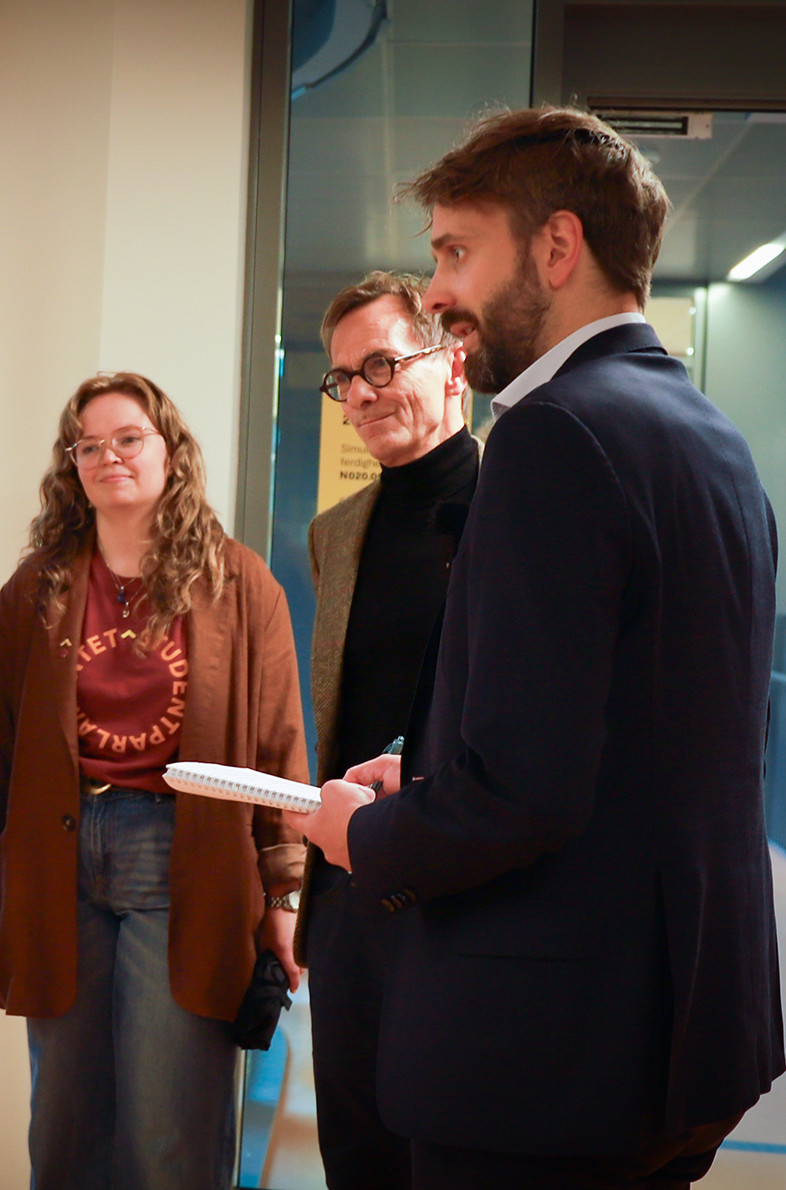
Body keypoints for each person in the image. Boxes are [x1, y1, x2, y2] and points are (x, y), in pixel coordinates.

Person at [292, 107, 784, 1190]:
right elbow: (632, 736)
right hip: (674, 1024)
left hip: (545, 1051)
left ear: (558, 246)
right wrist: (420, 773)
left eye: (457, 252)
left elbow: (524, 792)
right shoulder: (706, 434)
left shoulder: (553, 436)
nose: (439, 295)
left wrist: (366, 834)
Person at [0, 373, 307, 1190]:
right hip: (54, 860)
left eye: (128, 438)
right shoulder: (35, 590)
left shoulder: (239, 583)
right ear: (71, 466)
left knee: (168, 1132)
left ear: (170, 452)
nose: (108, 456)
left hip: (185, 856)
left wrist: (285, 899)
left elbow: (280, 747)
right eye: (90, 445)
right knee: (64, 1128)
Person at [297, 272, 474, 1190]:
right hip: (349, 890)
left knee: (446, 1154)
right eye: (343, 379)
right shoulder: (337, 532)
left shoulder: (511, 508)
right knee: (358, 1156)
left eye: (380, 364)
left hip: (462, 893)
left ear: (452, 360)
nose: (360, 395)